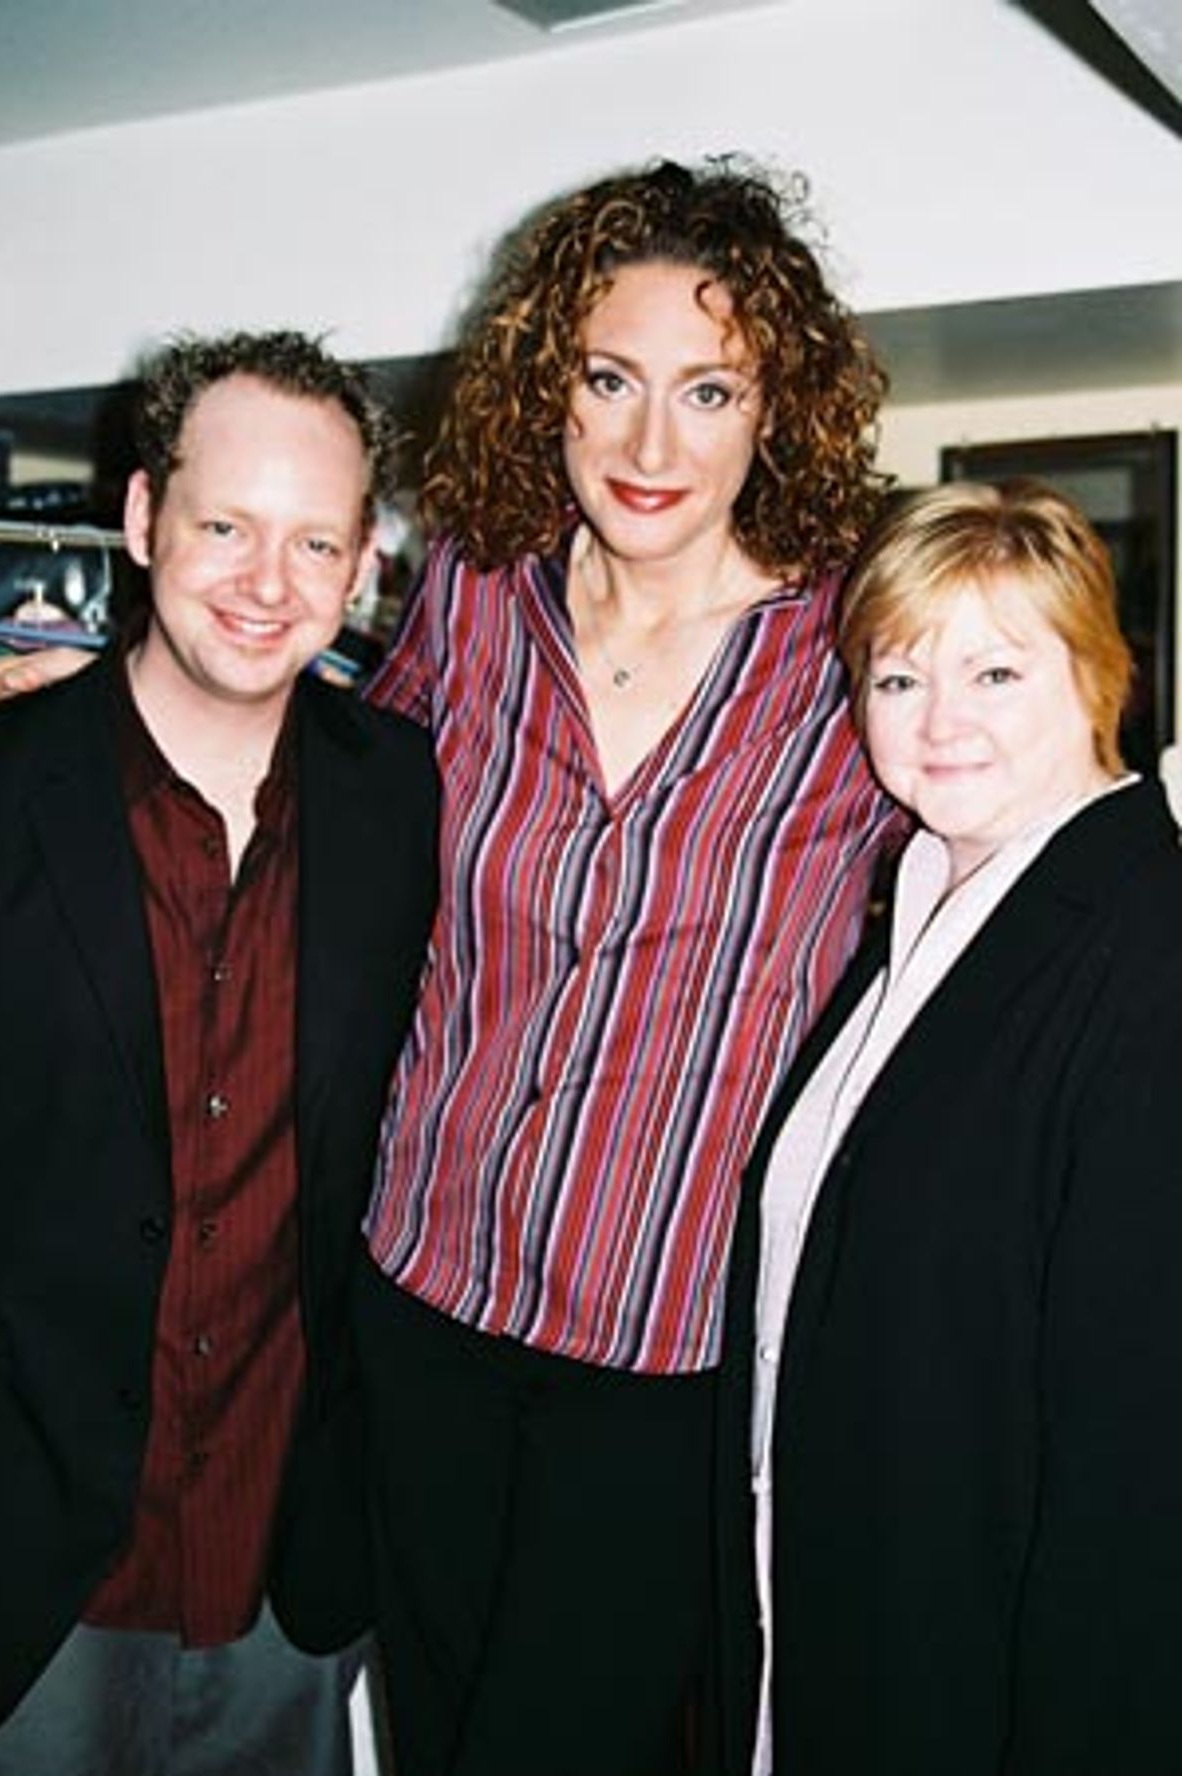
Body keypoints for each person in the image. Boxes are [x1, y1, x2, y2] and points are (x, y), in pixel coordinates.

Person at [352, 158, 894, 1776]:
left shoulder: (857, 642)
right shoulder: (469, 586)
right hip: (420, 1281)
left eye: (709, 390)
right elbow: (333, 802)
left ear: (773, 410)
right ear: (550, 389)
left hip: (669, 1345)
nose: (653, 447)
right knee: (438, 1718)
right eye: (611, 380)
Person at [0, 331, 439, 1775]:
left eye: (314, 541)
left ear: (363, 559)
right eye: (225, 525)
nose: (266, 582)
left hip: (281, 1572)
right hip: (19, 1563)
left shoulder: (409, 805)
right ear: (140, 519)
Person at [712, 479, 1182, 1775]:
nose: (941, 722)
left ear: (1099, 675)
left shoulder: (1145, 944)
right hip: (838, 1627)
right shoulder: (918, 904)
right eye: (899, 678)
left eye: (995, 671)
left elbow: (1140, 1460)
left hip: (991, 1685)